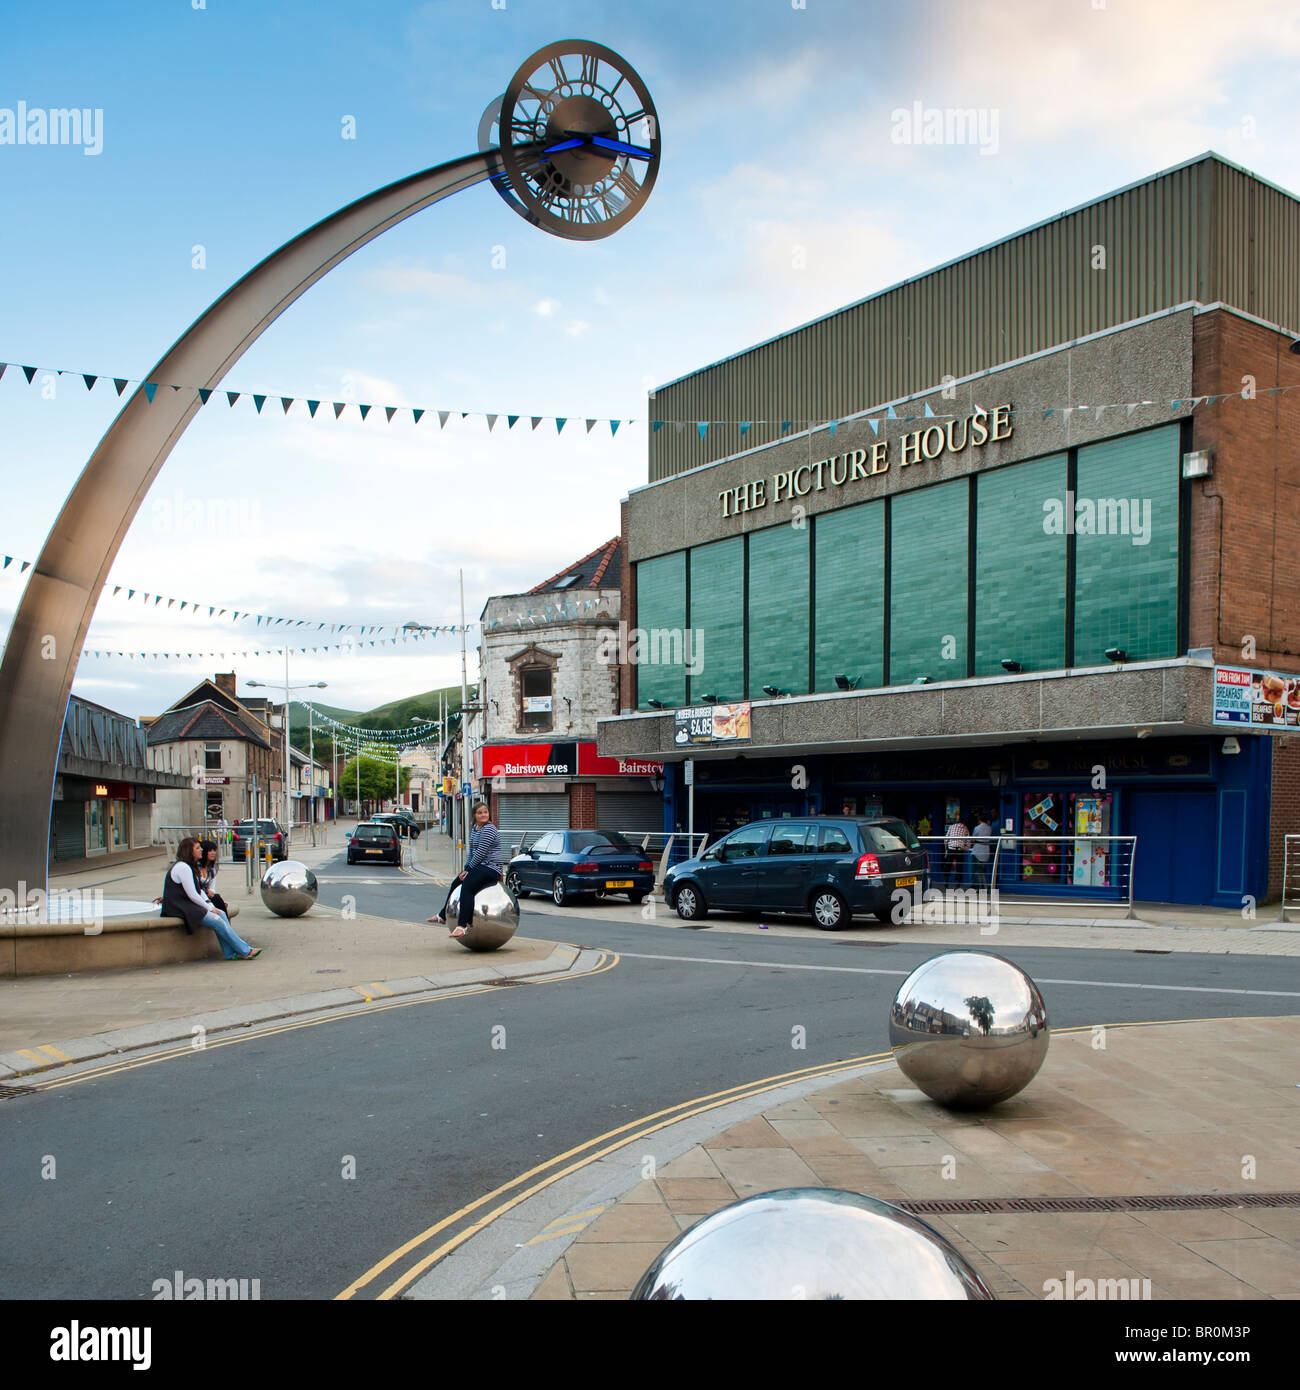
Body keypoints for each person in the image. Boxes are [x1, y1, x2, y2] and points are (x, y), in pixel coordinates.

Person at [161, 836, 261, 960]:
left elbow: (200, 891)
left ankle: (230, 953)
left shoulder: (189, 867)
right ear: (189, 851)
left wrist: (212, 906)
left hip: (188, 905)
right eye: (197, 848)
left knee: (222, 914)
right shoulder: (183, 867)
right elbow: (192, 894)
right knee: (217, 921)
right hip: (181, 907)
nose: (201, 850)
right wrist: (209, 908)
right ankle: (246, 951)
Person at [427, 802, 502, 938]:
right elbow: (471, 852)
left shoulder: (489, 829)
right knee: (456, 882)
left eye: (485, 812)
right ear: (475, 815)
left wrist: (469, 870)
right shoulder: (475, 828)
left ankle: (463, 925)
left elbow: (481, 852)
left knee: (467, 885)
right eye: (480, 813)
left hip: (491, 868)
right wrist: (466, 869)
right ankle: (442, 915)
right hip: (479, 866)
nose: (483, 815)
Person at [197, 839, 230, 917]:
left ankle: (225, 922)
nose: (213, 853)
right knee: (217, 899)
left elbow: (212, 886)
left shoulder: (213, 868)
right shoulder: (196, 867)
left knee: (216, 897)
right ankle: (226, 923)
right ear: (204, 852)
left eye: (214, 850)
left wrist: (211, 891)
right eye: (210, 851)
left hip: (207, 895)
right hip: (198, 895)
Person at [942, 812, 970, 889]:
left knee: (948, 865)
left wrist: (946, 849)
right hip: (959, 850)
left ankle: (946, 881)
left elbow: (946, 839)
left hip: (951, 848)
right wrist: (964, 847)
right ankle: (957, 884)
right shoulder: (965, 829)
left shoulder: (951, 827)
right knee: (959, 867)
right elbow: (968, 843)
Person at [970, 809, 993, 889]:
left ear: (979, 820)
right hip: (986, 849)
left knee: (978, 871)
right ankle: (984, 887)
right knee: (982, 870)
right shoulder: (989, 828)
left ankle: (981, 887)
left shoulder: (977, 828)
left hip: (978, 850)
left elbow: (973, 839)